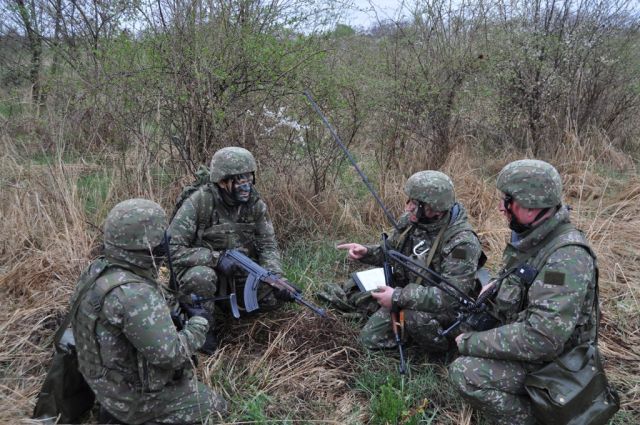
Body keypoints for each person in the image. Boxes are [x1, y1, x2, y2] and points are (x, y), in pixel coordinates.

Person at [449, 160, 599, 425]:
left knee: (466, 372)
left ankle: (538, 418)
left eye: (508, 201)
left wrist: (472, 342)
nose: (501, 207)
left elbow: (542, 338)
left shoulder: (566, 259)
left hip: (558, 363)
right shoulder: (534, 236)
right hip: (537, 342)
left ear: (531, 207)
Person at [70, 199, 227, 424]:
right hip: (126, 398)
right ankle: (131, 416)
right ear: (145, 246)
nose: (166, 242)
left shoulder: (97, 270)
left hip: (98, 380)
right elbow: (171, 355)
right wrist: (200, 323)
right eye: (160, 238)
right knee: (214, 404)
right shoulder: (135, 295)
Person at [322, 171, 483, 352]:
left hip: (440, 307)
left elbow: (451, 296)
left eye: (415, 204)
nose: (408, 208)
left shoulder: (462, 244)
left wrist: (397, 297)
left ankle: (439, 346)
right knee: (351, 289)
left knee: (369, 339)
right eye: (410, 201)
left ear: (434, 209)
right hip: (408, 288)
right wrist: (366, 252)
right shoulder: (412, 220)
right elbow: (392, 251)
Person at [168, 147, 285, 354]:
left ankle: (229, 309)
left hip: (238, 272)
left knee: (273, 296)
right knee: (201, 277)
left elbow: (268, 245)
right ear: (222, 182)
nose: (246, 186)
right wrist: (216, 259)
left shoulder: (255, 204)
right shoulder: (199, 202)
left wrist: (276, 277)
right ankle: (202, 326)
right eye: (239, 180)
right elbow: (172, 249)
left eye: (249, 178)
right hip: (204, 271)